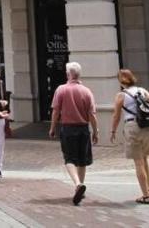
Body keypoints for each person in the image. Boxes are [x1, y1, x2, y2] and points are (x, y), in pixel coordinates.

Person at [49, 61, 99, 206]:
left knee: (69, 158)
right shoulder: (86, 91)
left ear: (68, 74)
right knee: (82, 159)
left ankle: (77, 184)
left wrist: (52, 128)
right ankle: (81, 185)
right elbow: (92, 115)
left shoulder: (61, 89)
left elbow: (56, 111)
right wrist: (95, 131)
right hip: (83, 128)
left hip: (68, 128)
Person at [109, 68, 149, 205]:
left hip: (132, 126)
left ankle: (145, 196)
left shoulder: (121, 95)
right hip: (148, 126)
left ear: (121, 81)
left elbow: (116, 116)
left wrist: (113, 131)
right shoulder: (142, 91)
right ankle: (148, 190)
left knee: (138, 161)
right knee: (145, 158)